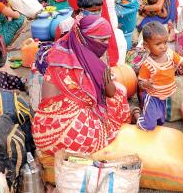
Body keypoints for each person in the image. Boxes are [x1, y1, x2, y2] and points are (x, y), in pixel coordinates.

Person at [32, 14, 131, 155]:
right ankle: (123, 124)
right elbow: (110, 92)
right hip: (73, 135)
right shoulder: (94, 65)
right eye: (102, 40)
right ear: (85, 38)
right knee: (119, 94)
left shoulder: (58, 54)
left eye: (108, 40)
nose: (106, 44)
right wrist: (107, 77)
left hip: (43, 133)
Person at [133, 21, 183, 131]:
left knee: (160, 122)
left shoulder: (170, 54)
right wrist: (146, 84)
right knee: (149, 125)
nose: (163, 47)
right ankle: (136, 115)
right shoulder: (147, 64)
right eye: (158, 44)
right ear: (146, 46)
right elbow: (140, 82)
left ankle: (151, 132)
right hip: (152, 98)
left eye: (165, 42)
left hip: (163, 97)